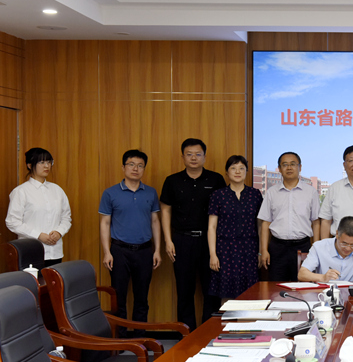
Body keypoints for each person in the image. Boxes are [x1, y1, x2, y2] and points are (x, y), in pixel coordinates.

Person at [160, 138, 226, 329]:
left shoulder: (215, 180)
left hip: (209, 242)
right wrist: (168, 240)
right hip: (182, 240)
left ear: (204, 156)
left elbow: (223, 210)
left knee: (211, 290)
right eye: (189, 154)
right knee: (184, 290)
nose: (194, 158)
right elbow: (165, 210)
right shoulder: (172, 181)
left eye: (198, 154)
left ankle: (209, 331)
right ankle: (186, 334)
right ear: (182, 157)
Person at [99, 150, 161, 334]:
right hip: (119, 251)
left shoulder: (150, 192)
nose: (136, 169)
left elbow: (155, 221)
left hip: (144, 251)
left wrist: (157, 250)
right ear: (123, 167)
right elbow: (105, 223)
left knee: (142, 298)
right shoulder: (110, 193)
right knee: (119, 297)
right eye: (131, 164)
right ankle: (121, 338)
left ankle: (140, 338)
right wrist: (107, 252)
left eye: (140, 165)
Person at [258, 151, 320, 282]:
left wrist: (316, 249)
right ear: (279, 169)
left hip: (302, 246)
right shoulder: (271, 193)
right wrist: (264, 250)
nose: (289, 168)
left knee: (303, 286)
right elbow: (265, 223)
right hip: (277, 247)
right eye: (285, 164)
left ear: (300, 167)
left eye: (293, 164)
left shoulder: (311, 192)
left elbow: (316, 222)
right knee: (276, 286)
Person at [207, 155, 263, 300]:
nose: (237, 172)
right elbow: (212, 227)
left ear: (246, 172)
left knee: (250, 294)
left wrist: (261, 252)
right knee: (226, 294)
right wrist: (213, 254)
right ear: (227, 172)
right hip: (225, 251)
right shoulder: (218, 195)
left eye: (241, 168)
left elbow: (260, 226)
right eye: (233, 168)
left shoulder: (255, 195)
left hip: (249, 250)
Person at [6, 147, 72, 267]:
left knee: (54, 279)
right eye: (41, 162)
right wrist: (38, 235)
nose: (47, 166)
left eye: (49, 162)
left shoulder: (57, 190)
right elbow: (12, 222)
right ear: (30, 165)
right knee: (33, 280)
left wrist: (59, 232)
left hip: (55, 252)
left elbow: (66, 217)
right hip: (31, 252)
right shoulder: (21, 191)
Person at [298, 216, 353, 284]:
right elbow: (302, 274)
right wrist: (323, 277)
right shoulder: (319, 247)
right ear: (337, 234)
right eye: (344, 243)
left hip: (351, 294)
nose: (348, 248)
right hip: (324, 293)